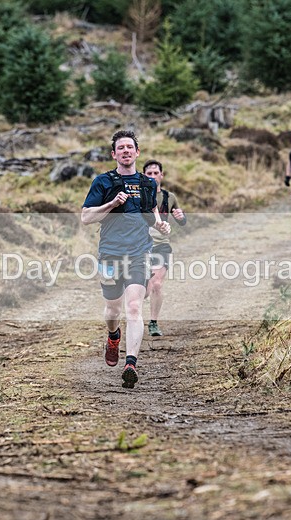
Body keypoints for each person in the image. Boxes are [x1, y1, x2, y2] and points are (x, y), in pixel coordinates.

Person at [81, 131, 170, 389]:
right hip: (110, 253)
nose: (126, 151)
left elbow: (149, 214)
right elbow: (86, 217)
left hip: (139, 253)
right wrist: (110, 204)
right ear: (114, 154)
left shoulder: (147, 184)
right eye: (121, 148)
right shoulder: (103, 182)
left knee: (133, 307)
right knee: (113, 310)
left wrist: (161, 225)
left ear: (137, 152)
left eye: (130, 147)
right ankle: (113, 336)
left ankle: (131, 363)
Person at [142, 160, 187, 337]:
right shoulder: (139, 197)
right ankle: (134, 318)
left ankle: (153, 323)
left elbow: (182, 221)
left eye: (155, 173)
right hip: (141, 246)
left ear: (162, 175)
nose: (153, 176)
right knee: (144, 289)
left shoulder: (170, 197)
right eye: (149, 174)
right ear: (144, 176)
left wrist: (181, 216)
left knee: (157, 284)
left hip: (162, 246)